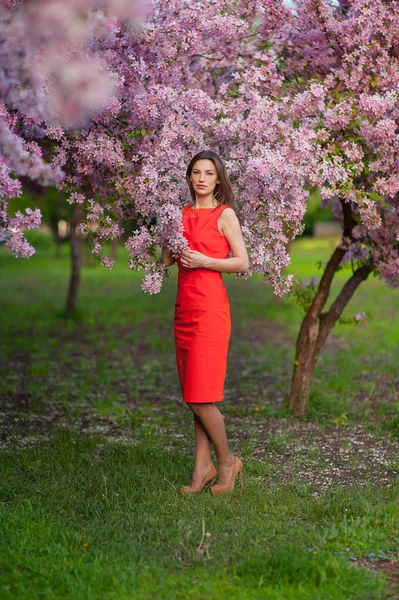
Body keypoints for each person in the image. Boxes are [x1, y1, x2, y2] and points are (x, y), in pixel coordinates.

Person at [162, 149, 249, 496]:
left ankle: (227, 461)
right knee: (193, 392)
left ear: (218, 179)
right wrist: (166, 231)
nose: (201, 178)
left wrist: (205, 260)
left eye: (208, 173)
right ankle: (201, 470)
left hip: (211, 311)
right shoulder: (180, 214)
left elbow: (242, 262)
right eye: (196, 172)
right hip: (184, 309)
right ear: (189, 177)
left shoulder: (224, 214)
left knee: (200, 396)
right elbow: (166, 260)